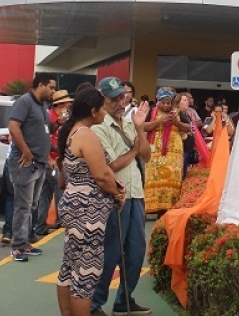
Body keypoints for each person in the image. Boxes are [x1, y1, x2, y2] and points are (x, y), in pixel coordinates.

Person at [55, 88, 127, 316]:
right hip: (88, 210)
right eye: (103, 107)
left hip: (75, 204)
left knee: (70, 267)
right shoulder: (86, 134)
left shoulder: (71, 131)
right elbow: (102, 175)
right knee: (86, 273)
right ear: (94, 111)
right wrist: (117, 193)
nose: (106, 111)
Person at [90, 78, 151, 316]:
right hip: (116, 197)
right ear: (102, 99)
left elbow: (145, 156)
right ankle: (96, 304)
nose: (120, 102)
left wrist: (139, 128)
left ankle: (124, 300)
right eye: (114, 98)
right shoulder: (98, 128)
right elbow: (110, 165)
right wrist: (134, 148)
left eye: (122, 97)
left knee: (136, 251)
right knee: (111, 251)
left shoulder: (129, 122)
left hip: (136, 194)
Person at [8, 73, 57, 262]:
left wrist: (57, 124)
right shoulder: (25, 102)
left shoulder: (42, 105)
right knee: (23, 205)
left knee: (32, 205)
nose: (52, 91)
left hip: (39, 163)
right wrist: (26, 152)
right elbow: (14, 126)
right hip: (25, 163)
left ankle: (25, 242)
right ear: (41, 85)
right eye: (51, 87)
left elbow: (45, 130)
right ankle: (18, 246)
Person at [143, 88, 188, 214]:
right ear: (158, 101)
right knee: (156, 180)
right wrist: (159, 121)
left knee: (171, 182)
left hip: (173, 157)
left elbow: (189, 128)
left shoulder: (177, 113)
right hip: (155, 156)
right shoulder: (152, 112)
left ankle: (169, 210)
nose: (166, 105)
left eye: (169, 102)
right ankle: (154, 208)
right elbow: (143, 127)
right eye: (164, 102)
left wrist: (176, 123)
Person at [35, 89, 73, 236]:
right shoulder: (50, 117)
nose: (69, 106)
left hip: (55, 159)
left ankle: (40, 225)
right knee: (59, 189)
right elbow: (46, 139)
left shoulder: (61, 117)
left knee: (45, 194)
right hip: (51, 160)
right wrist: (51, 158)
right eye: (67, 104)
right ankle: (61, 220)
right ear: (60, 104)